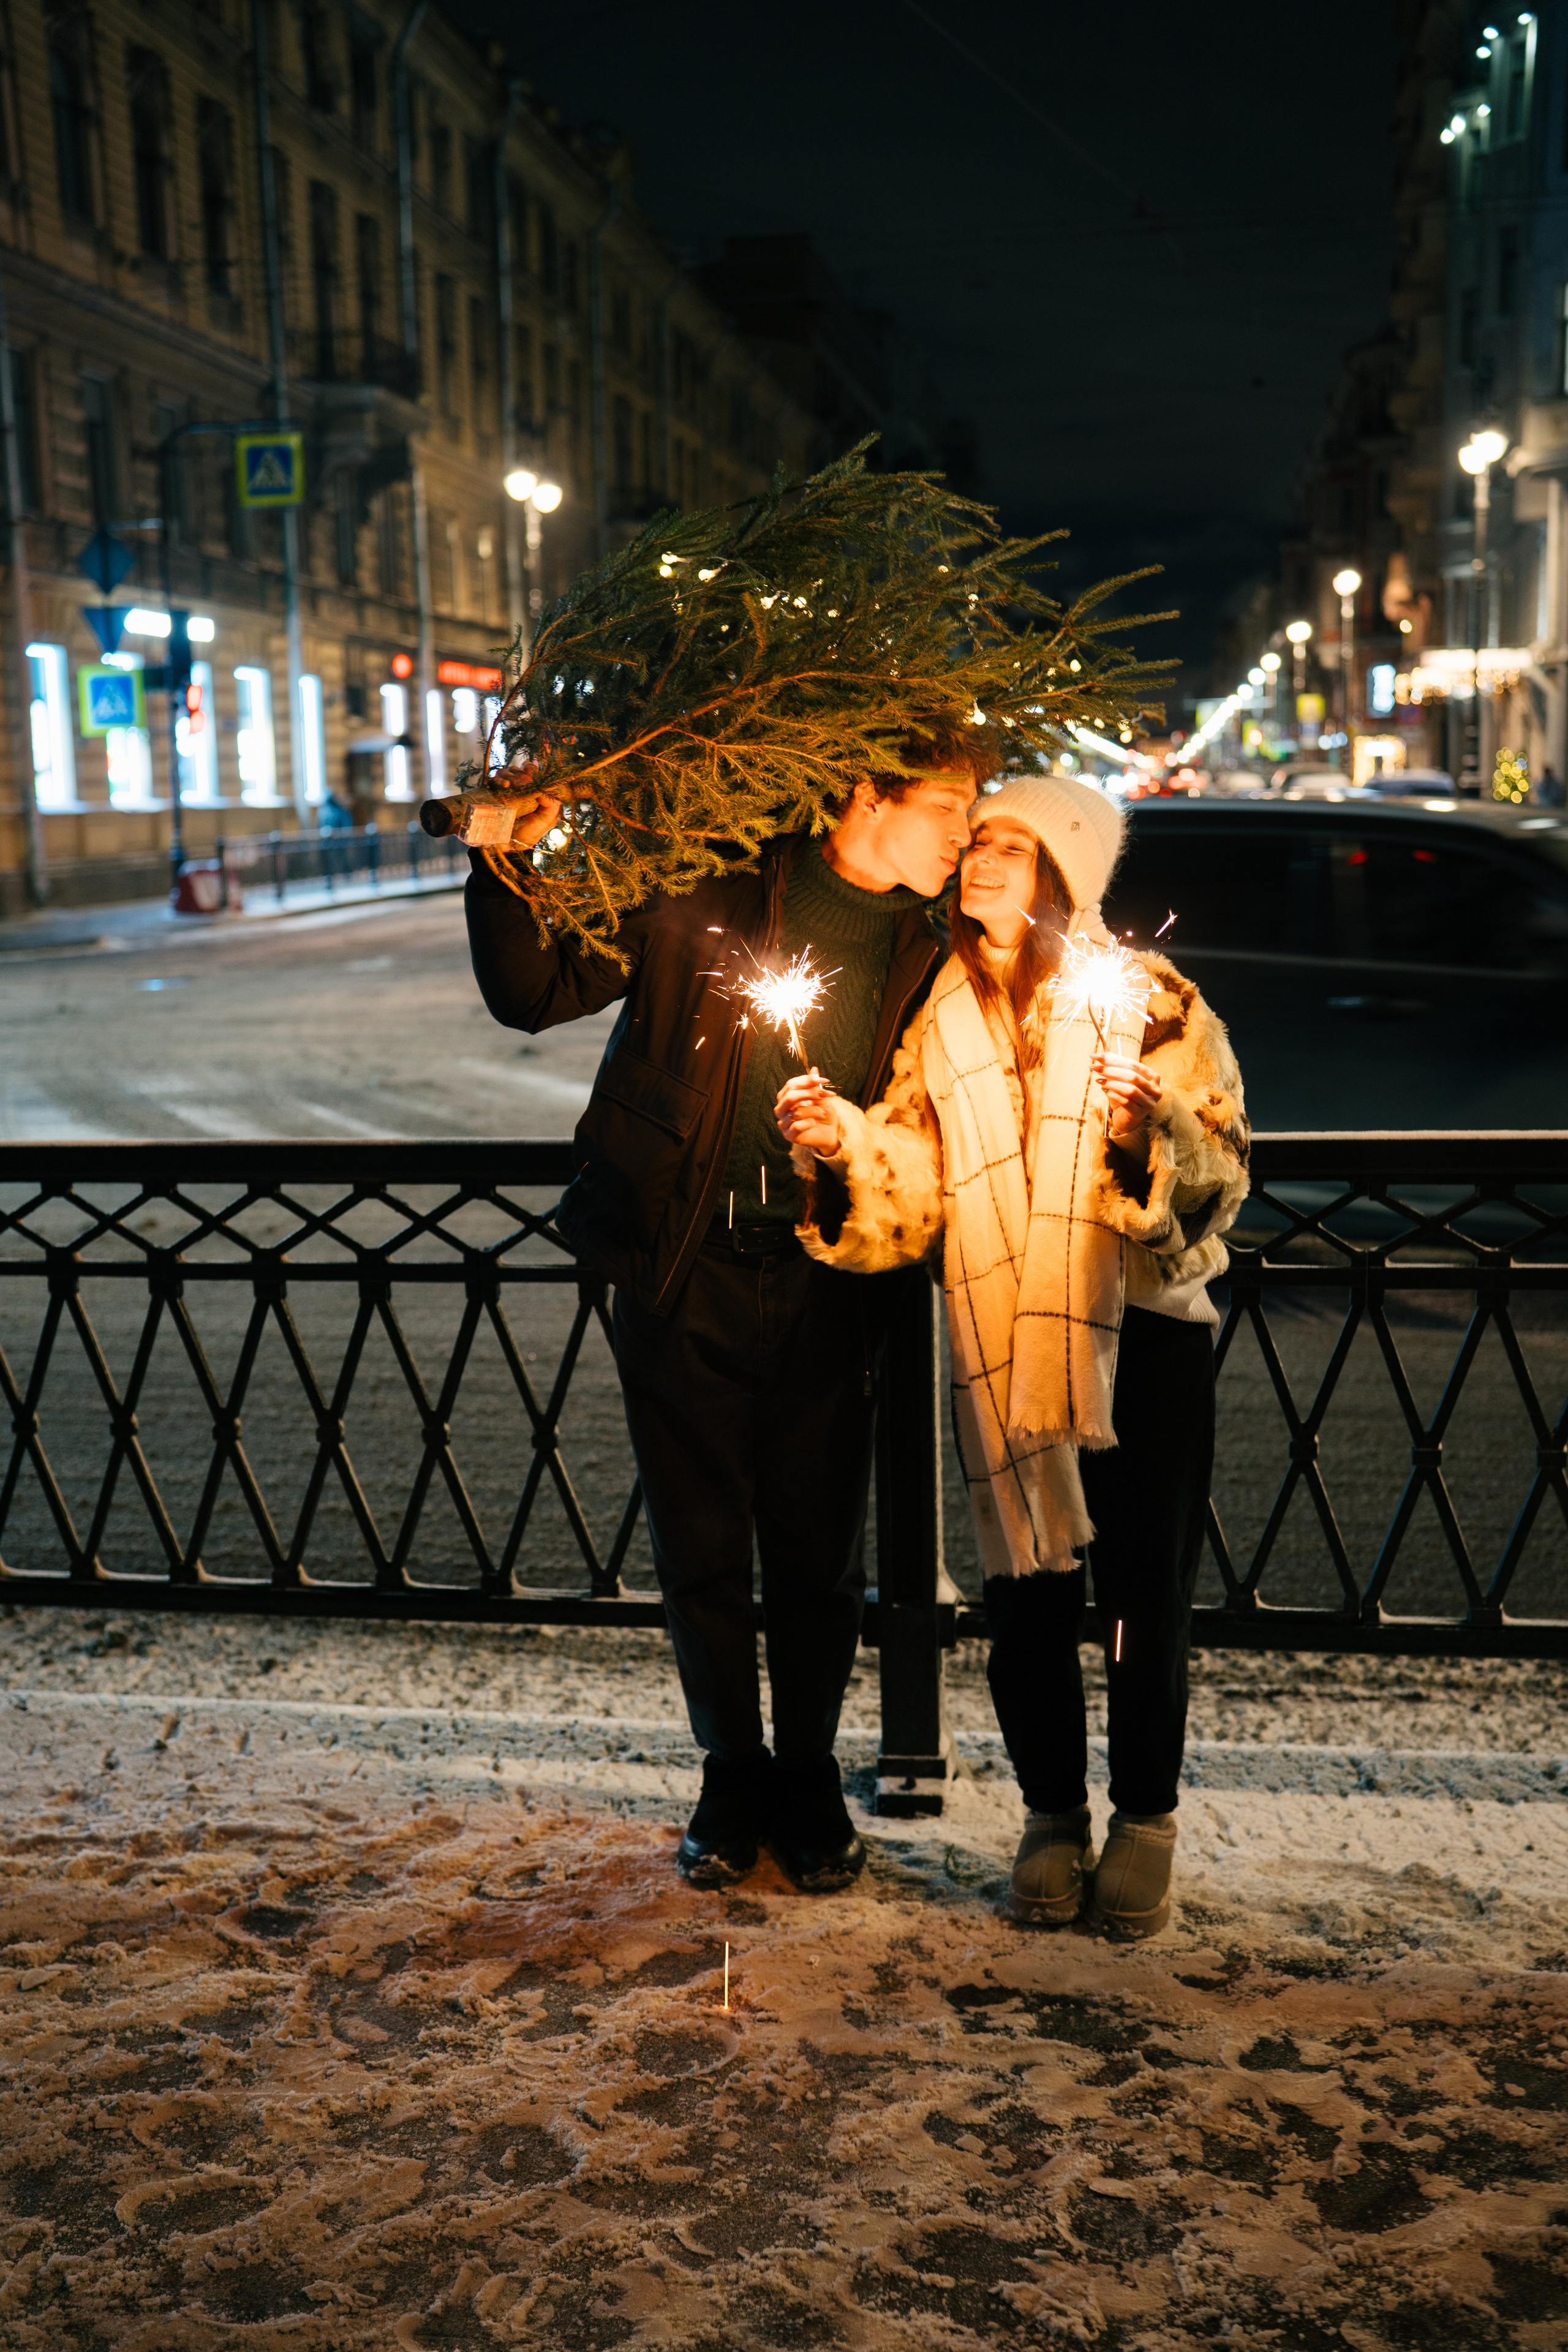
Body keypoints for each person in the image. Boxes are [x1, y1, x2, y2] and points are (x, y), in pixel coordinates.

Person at [465, 726, 992, 1890]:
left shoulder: (928, 948)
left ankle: (807, 1774)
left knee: (817, 1551)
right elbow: (533, 988)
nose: (964, 833)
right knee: (700, 1544)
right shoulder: (705, 892)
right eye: (949, 805)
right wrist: (503, 849)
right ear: (868, 792)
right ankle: (729, 1771)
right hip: (684, 1261)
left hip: (831, 1274)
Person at [776, 775, 1250, 1939]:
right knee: (1027, 1594)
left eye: (1010, 846)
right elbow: (917, 1187)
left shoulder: (1149, 1000)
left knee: (1143, 1597)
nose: (980, 860)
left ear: (1062, 878)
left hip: (1139, 1337)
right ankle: (1051, 1815)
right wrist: (845, 1140)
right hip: (1000, 1339)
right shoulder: (939, 1018)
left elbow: (1224, 1170)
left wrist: (1154, 1134)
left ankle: (1144, 1819)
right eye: (975, 840)